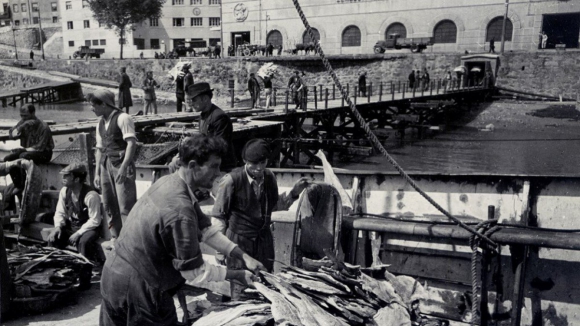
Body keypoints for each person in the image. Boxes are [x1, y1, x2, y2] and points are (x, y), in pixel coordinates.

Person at [100, 135, 265, 325]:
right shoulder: (180, 210)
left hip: (112, 274)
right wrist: (237, 275)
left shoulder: (171, 182)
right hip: (139, 287)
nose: (218, 173)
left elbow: (206, 231)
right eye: (213, 166)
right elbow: (195, 272)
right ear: (193, 166)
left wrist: (244, 257)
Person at [212, 138, 311, 299]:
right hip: (239, 244)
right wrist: (220, 251)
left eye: (263, 162)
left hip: (264, 244)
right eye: (254, 163)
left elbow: (275, 206)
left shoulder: (269, 177)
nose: (258, 168)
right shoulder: (231, 180)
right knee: (241, 291)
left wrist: (294, 192)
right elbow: (219, 218)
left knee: (265, 290)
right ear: (245, 161)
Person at [88, 89, 137, 239]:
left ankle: (130, 241)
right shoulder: (100, 123)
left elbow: (131, 144)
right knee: (109, 205)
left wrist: (123, 168)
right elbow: (100, 149)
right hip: (105, 165)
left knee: (125, 207)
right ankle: (116, 238)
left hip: (121, 165)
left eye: (93, 106)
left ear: (103, 104)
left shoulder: (123, 118)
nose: (92, 109)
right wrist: (97, 172)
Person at [47, 163, 102, 260]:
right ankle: (54, 265)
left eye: (67, 176)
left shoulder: (91, 195)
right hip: (72, 226)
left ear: (77, 179)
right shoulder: (64, 191)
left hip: (89, 228)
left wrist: (79, 233)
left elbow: (95, 220)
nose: (63, 178)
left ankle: (85, 269)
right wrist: (58, 227)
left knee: (83, 242)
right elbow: (60, 212)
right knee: (54, 237)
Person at [3, 104, 54, 197]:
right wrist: (21, 127)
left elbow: (39, 147)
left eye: (25, 116)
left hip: (44, 153)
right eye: (21, 116)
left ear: (33, 113)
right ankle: (19, 184)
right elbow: (12, 135)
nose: (23, 118)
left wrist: (22, 150)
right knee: (8, 158)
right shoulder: (23, 122)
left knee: (23, 156)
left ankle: (27, 184)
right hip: (28, 151)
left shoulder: (43, 127)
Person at [186, 82, 237, 170]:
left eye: (194, 100)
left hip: (222, 167)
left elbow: (220, 146)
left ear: (205, 98)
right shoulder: (203, 115)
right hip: (209, 161)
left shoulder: (219, 117)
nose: (192, 103)